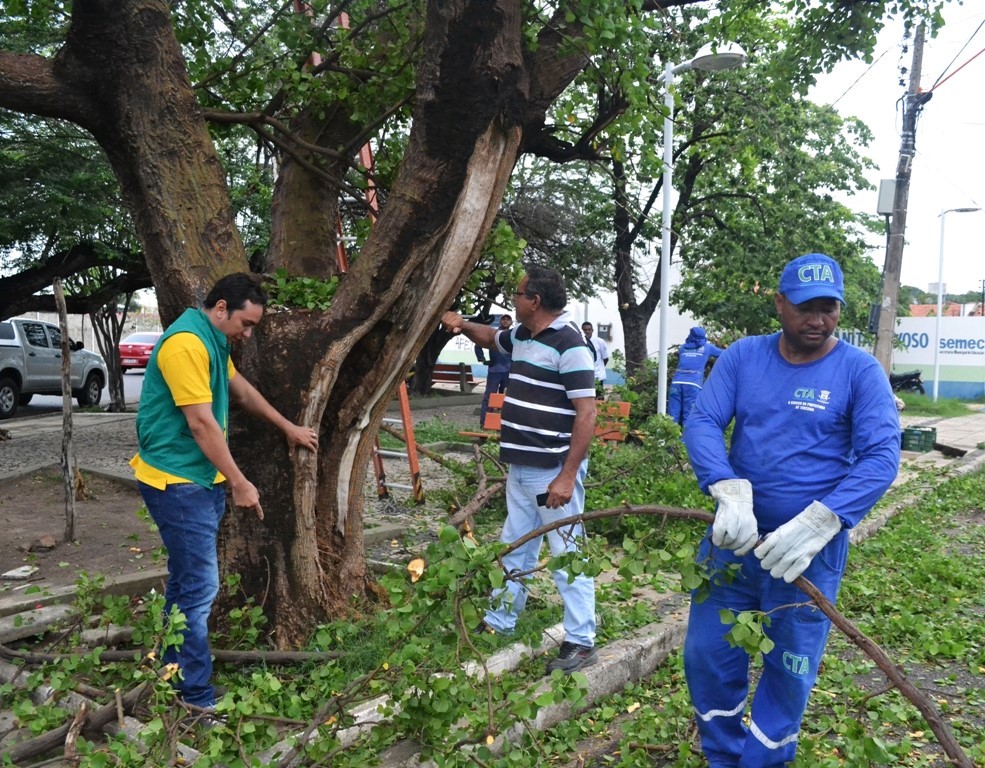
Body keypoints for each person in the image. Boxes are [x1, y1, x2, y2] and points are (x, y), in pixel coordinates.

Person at [681, 253, 900, 767]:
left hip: (808, 554)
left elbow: (882, 455)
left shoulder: (859, 371)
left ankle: (764, 762)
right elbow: (705, 421)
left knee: (790, 668)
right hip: (734, 541)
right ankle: (723, 756)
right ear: (779, 303)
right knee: (707, 655)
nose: (817, 320)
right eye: (805, 307)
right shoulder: (743, 358)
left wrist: (825, 519)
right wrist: (727, 487)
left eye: (829, 308)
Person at [130, 273, 319, 711]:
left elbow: (244, 392)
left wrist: (287, 427)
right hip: (177, 481)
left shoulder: (213, 341)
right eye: (246, 324)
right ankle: (196, 698)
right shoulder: (185, 345)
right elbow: (201, 424)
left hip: (197, 480)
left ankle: (169, 673)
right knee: (199, 590)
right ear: (220, 309)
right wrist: (239, 482)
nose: (248, 334)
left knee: (185, 585)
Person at [441, 265, 598, 674]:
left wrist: (566, 476)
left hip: (551, 471)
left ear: (536, 301)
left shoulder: (570, 345)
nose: (513, 298)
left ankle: (581, 641)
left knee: (567, 553)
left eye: (518, 293)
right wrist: (461, 325)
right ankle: (501, 621)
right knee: (516, 544)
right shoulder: (524, 336)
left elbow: (587, 414)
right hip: (522, 464)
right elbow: (491, 337)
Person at [668, 326, 723, 428]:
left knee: (672, 414)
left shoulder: (683, 348)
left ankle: (668, 440)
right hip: (693, 384)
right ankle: (686, 442)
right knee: (688, 416)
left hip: (676, 383)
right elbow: (725, 354)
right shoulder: (707, 347)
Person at [475, 314, 513, 425]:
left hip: (509, 371)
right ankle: (485, 422)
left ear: (511, 322)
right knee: (489, 397)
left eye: (508, 319)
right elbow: (478, 344)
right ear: (500, 321)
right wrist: (482, 359)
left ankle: (503, 424)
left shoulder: (513, 336)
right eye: (503, 319)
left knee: (507, 398)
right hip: (495, 370)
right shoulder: (494, 334)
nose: (505, 321)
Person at [581, 321, 609, 398]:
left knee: (599, 399)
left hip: (597, 376)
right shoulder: (579, 341)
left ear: (592, 330)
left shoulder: (600, 342)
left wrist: (599, 369)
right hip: (585, 376)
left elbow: (605, 358)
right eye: (584, 330)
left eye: (589, 329)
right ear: (581, 331)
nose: (587, 331)